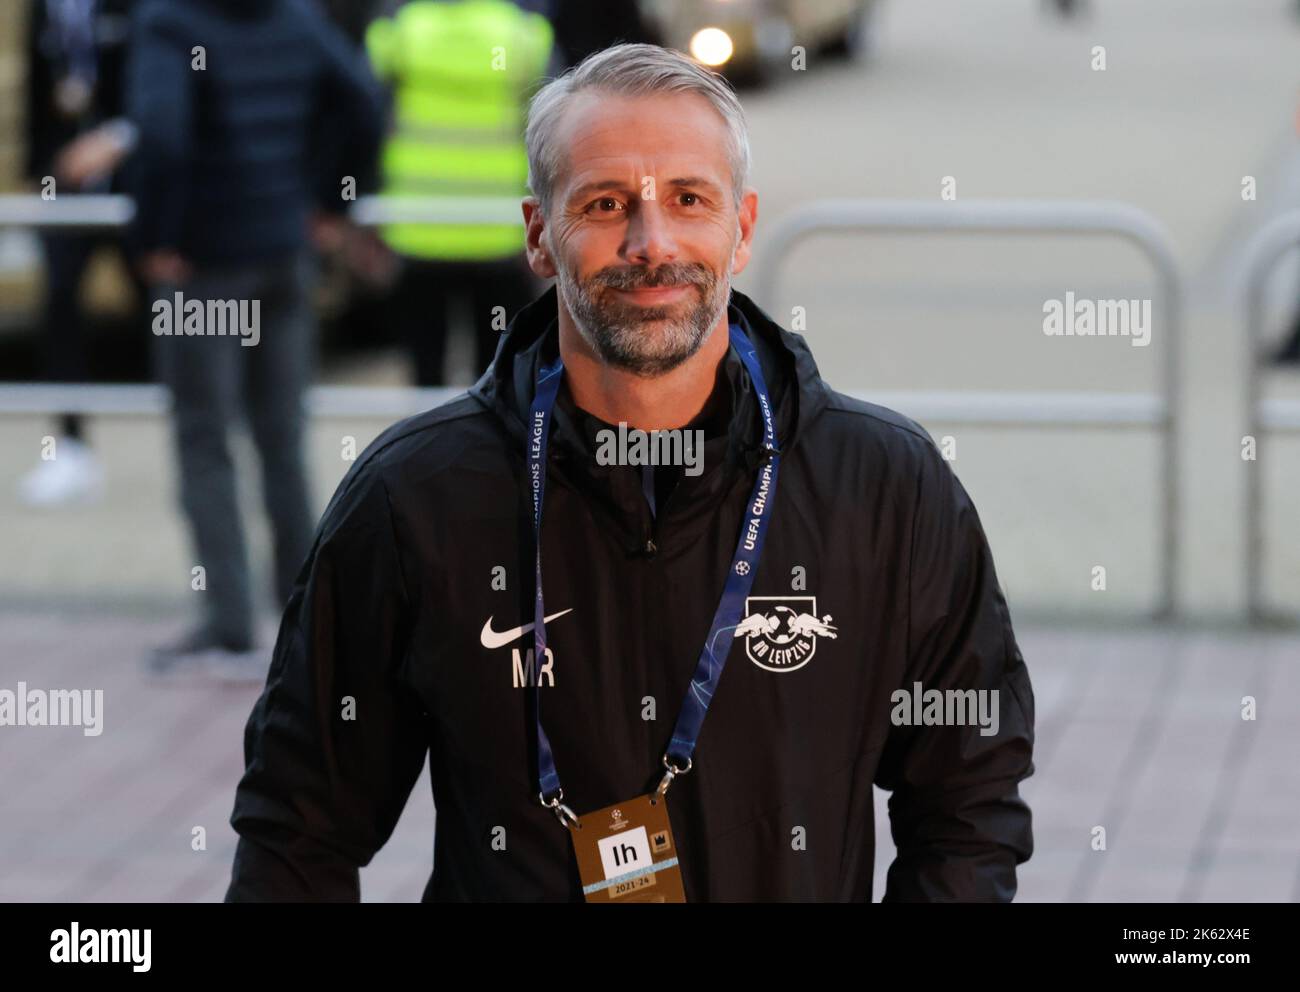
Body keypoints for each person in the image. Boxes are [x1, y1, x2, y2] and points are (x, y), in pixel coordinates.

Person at [226, 43, 1035, 902]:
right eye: (606, 204)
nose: (652, 245)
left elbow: (969, 801)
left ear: (743, 227)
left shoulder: (886, 487)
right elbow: (299, 828)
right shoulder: (416, 497)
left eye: (689, 200)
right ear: (540, 235)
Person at [126, 0, 384, 673]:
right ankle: (306, 614)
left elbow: (161, 133)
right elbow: (363, 100)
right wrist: (331, 201)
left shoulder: (170, 22)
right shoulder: (294, 17)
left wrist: (158, 236)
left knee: (204, 436)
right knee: (282, 436)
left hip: (202, 263)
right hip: (282, 254)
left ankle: (229, 619)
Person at [365, 0, 554, 385]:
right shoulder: (523, 36)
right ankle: (490, 444)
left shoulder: (399, 33)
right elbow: (553, 124)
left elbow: (361, 110)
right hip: (499, 228)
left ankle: (429, 442)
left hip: (418, 226)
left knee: (425, 370)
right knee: (497, 372)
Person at [18, 0, 141, 507]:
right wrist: (38, 172)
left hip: (134, 175)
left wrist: (118, 139)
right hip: (65, 180)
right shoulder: (44, 8)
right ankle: (70, 448)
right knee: (60, 303)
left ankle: (202, 436)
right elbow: (34, 84)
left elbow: (158, 83)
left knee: (169, 310)